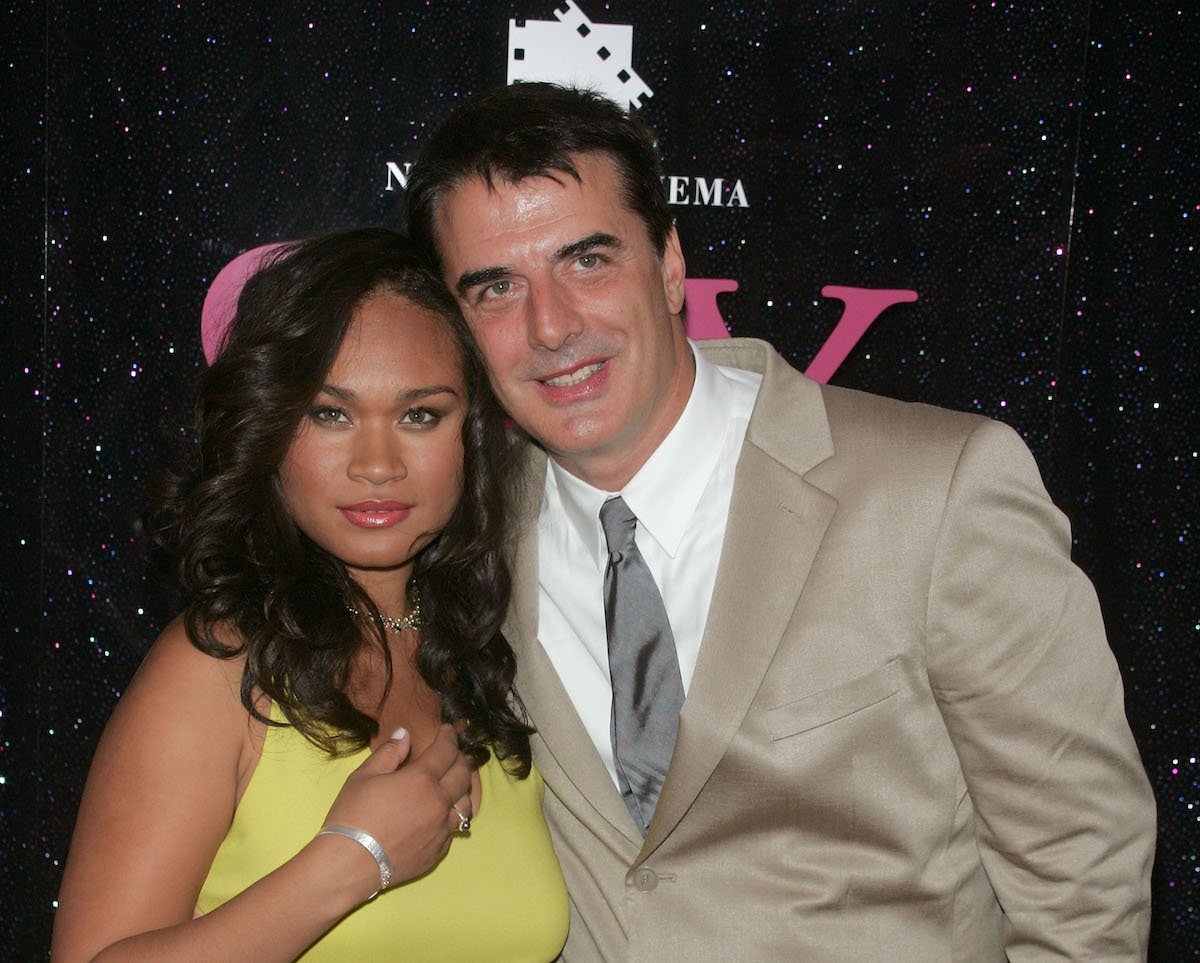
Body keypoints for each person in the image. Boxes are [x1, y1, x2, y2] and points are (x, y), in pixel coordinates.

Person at [404, 83, 1157, 960]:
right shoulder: (459, 529)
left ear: (671, 263)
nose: (550, 325)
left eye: (588, 260)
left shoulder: (937, 489)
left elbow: (1081, 872)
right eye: (496, 288)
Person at [51, 228, 568, 962]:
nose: (377, 464)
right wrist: (355, 860)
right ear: (269, 429)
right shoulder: (220, 667)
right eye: (330, 414)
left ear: (473, 435)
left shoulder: (492, 661)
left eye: (420, 414)